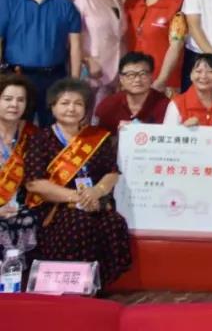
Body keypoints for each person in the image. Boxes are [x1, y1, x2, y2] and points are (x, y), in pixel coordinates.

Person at [24, 78, 131, 285]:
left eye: (78, 103)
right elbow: (34, 183)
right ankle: (71, 286)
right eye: (65, 103)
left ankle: (97, 285)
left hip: (94, 201)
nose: (71, 109)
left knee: (113, 222)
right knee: (78, 223)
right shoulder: (40, 139)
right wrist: (77, 197)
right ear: (52, 106)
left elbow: (112, 173)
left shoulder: (97, 137)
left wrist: (96, 191)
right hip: (56, 206)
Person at [0, 0, 81, 126]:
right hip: (17, 76)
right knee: (17, 126)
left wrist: (74, 82)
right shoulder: (6, 1)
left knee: (53, 127)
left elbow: (75, 45)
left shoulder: (64, 4)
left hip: (55, 77)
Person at [123, 0, 186, 97]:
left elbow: (176, 45)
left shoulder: (178, 4)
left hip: (164, 80)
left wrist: (161, 81)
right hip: (132, 77)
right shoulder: (131, 1)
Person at [72, 0, 127, 110]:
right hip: (91, 69)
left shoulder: (117, 0)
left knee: (106, 116)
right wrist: (88, 60)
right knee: (85, 115)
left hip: (115, 71)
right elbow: (73, 36)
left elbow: (119, 37)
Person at [0, 76, 38, 253]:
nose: (14, 105)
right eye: (8, 99)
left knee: (29, 220)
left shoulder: (32, 134)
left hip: (21, 205)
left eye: (20, 100)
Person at [93, 52, 170, 134]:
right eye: (130, 75)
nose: (137, 80)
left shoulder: (166, 106)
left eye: (143, 74)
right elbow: (99, 137)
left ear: (151, 76)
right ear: (121, 79)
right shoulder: (108, 106)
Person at [162, 53, 212, 126]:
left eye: (211, 72)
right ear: (191, 75)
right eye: (198, 71)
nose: (204, 76)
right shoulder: (177, 104)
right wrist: (184, 129)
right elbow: (168, 132)